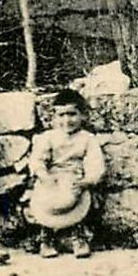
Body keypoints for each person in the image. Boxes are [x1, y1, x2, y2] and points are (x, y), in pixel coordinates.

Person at [26, 89, 105, 258]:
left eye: (72, 114)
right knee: (47, 200)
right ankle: (46, 238)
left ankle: (78, 237)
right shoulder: (48, 137)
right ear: (53, 117)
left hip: (75, 179)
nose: (66, 120)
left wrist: (87, 181)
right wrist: (43, 175)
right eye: (61, 115)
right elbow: (37, 160)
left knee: (75, 198)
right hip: (51, 178)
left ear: (83, 116)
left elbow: (95, 163)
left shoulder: (87, 138)